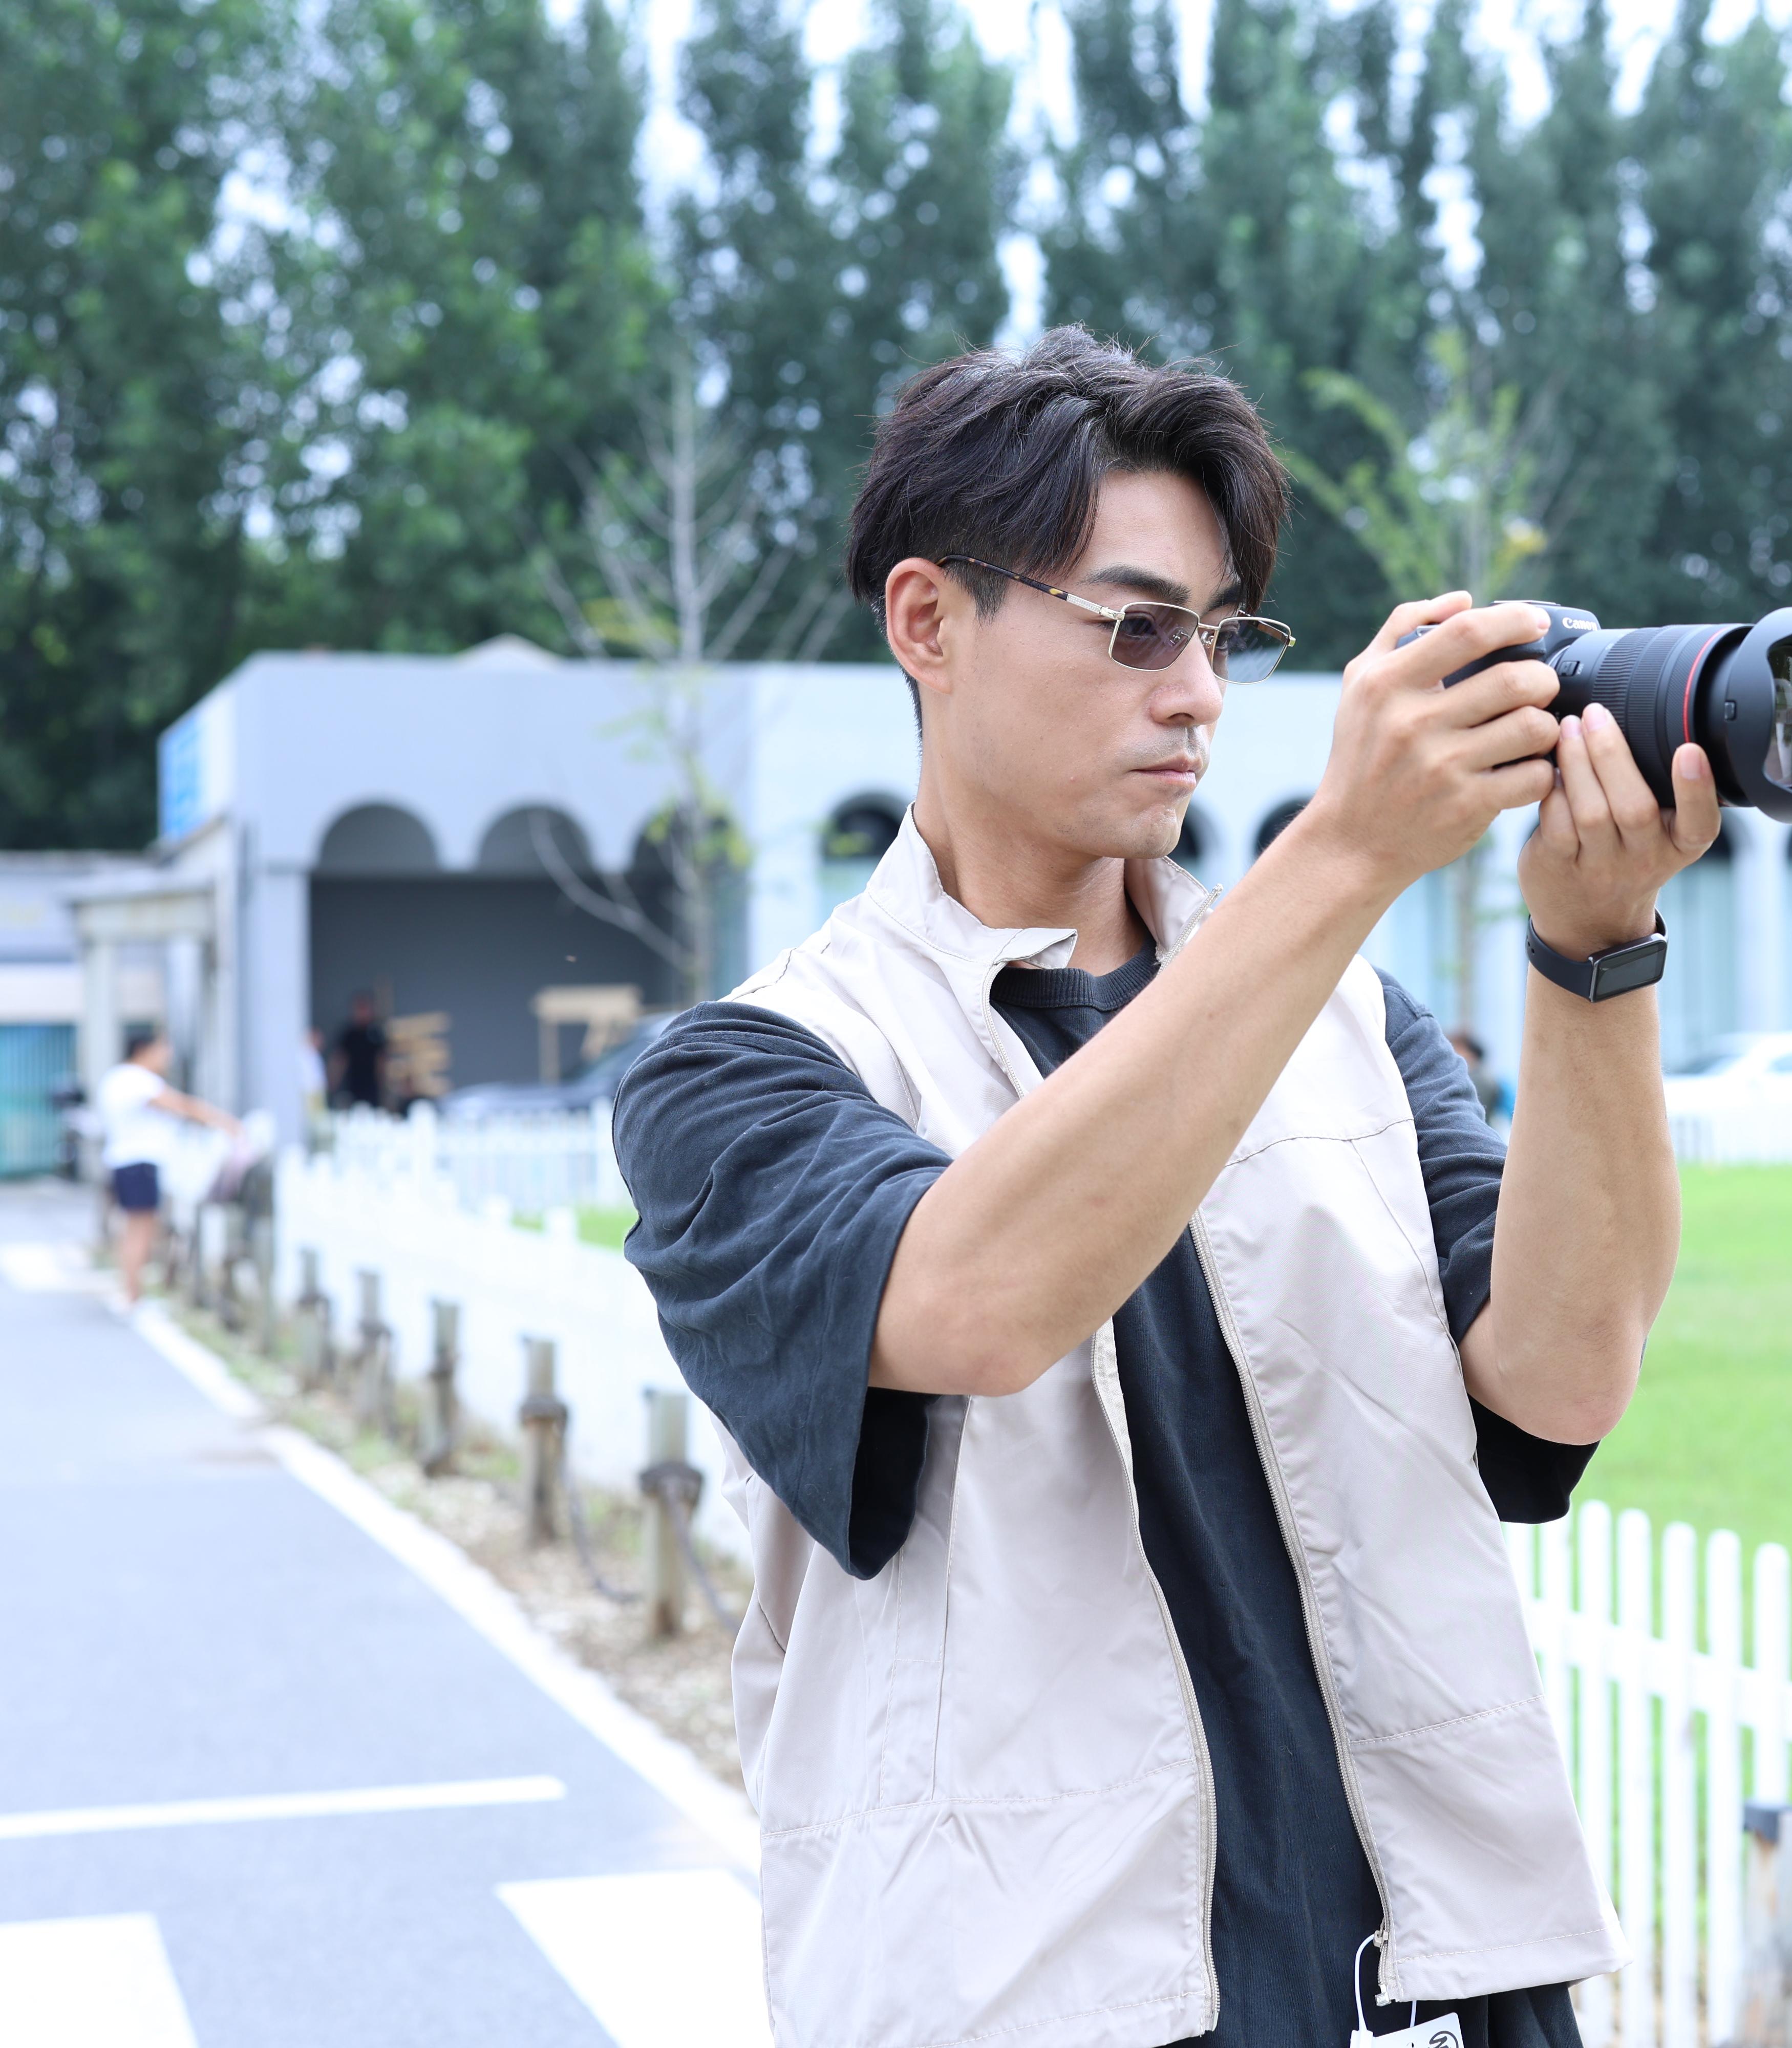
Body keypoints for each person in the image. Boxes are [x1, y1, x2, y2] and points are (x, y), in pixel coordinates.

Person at [612, 328, 1716, 2048]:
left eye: (1222, 636)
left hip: (1438, 1981)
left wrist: (1594, 952)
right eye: (1135, 628)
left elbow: (1562, 1380)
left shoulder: (1352, 1019)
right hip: (1038, 2010)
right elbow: (978, 1299)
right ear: (928, 623)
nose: (1196, 693)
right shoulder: (744, 1073)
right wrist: (1345, 852)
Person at [94, 1031, 239, 1307]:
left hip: (124, 1162)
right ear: (144, 1050)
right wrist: (225, 1123)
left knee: (133, 1228)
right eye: (162, 1050)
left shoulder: (115, 1078)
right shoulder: (137, 1080)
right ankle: (133, 1294)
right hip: (140, 1163)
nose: (167, 1057)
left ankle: (131, 1290)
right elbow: (181, 1106)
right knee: (142, 1229)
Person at [332, 992, 387, 1111]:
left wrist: (384, 1085)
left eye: (365, 1009)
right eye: (359, 1009)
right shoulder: (349, 1034)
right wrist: (333, 1083)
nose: (362, 1013)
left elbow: (381, 1061)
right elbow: (340, 1060)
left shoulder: (376, 1033)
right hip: (352, 1085)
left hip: (372, 1087)